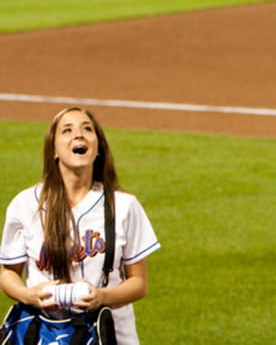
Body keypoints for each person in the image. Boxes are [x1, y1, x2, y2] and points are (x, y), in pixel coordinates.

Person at [0, 107, 161, 345]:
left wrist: (102, 296)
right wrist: (28, 295)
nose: (79, 135)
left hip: (111, 335)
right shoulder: (25, 205)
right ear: (54, 149)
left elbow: (138, 284)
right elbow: (8, 272)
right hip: (44, 334)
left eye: (87, 129)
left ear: (97, 148)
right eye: (67, 130)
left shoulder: (123, 206)